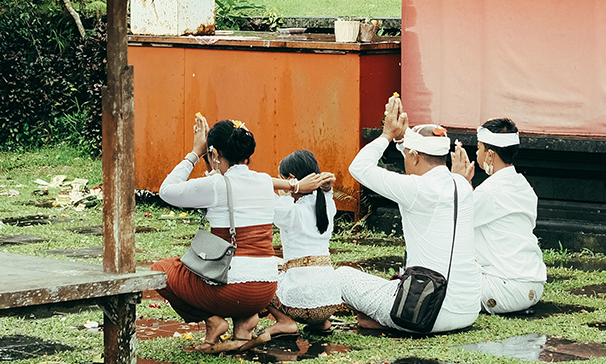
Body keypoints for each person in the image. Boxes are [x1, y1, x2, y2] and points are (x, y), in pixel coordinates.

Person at [336, 94, 479, 333]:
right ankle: (378, 318)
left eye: (408, 154)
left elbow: (358, 168)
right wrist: (403, 140)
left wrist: (387, 135)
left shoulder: (415, 188)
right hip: (467, 311)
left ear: (413, 156)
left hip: (423, 316)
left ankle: (384, 318)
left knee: (341, 276)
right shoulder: (462, 184)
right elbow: (422, 156)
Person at [153, 116, 277, 354]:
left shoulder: (216, 186)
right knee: (243, 273)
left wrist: (194, 152)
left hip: (232, 292)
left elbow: (166, 191)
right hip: (265, 292)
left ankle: (213, 321)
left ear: (215, 154)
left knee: (161, 270)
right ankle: (245, 323)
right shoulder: (264, 181)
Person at [450, 118, 547, 314]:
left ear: (491, 154)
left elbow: (452, 220)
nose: (476, 154)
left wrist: (457, 180)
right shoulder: (523, 186)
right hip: (533, 288)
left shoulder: (490, 191)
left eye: (479, 149)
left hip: (503, 291)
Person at [265, 150, 346, 336]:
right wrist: (323, 186)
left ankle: (285, 322)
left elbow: (259, 184)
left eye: (282, 180)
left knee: (260, 274)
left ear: (291, 179)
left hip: (302, 305)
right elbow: (325, 193)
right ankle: (321, 323)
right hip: (330, 301)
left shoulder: (288, 211)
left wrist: (293, 186)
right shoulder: (327, 204)